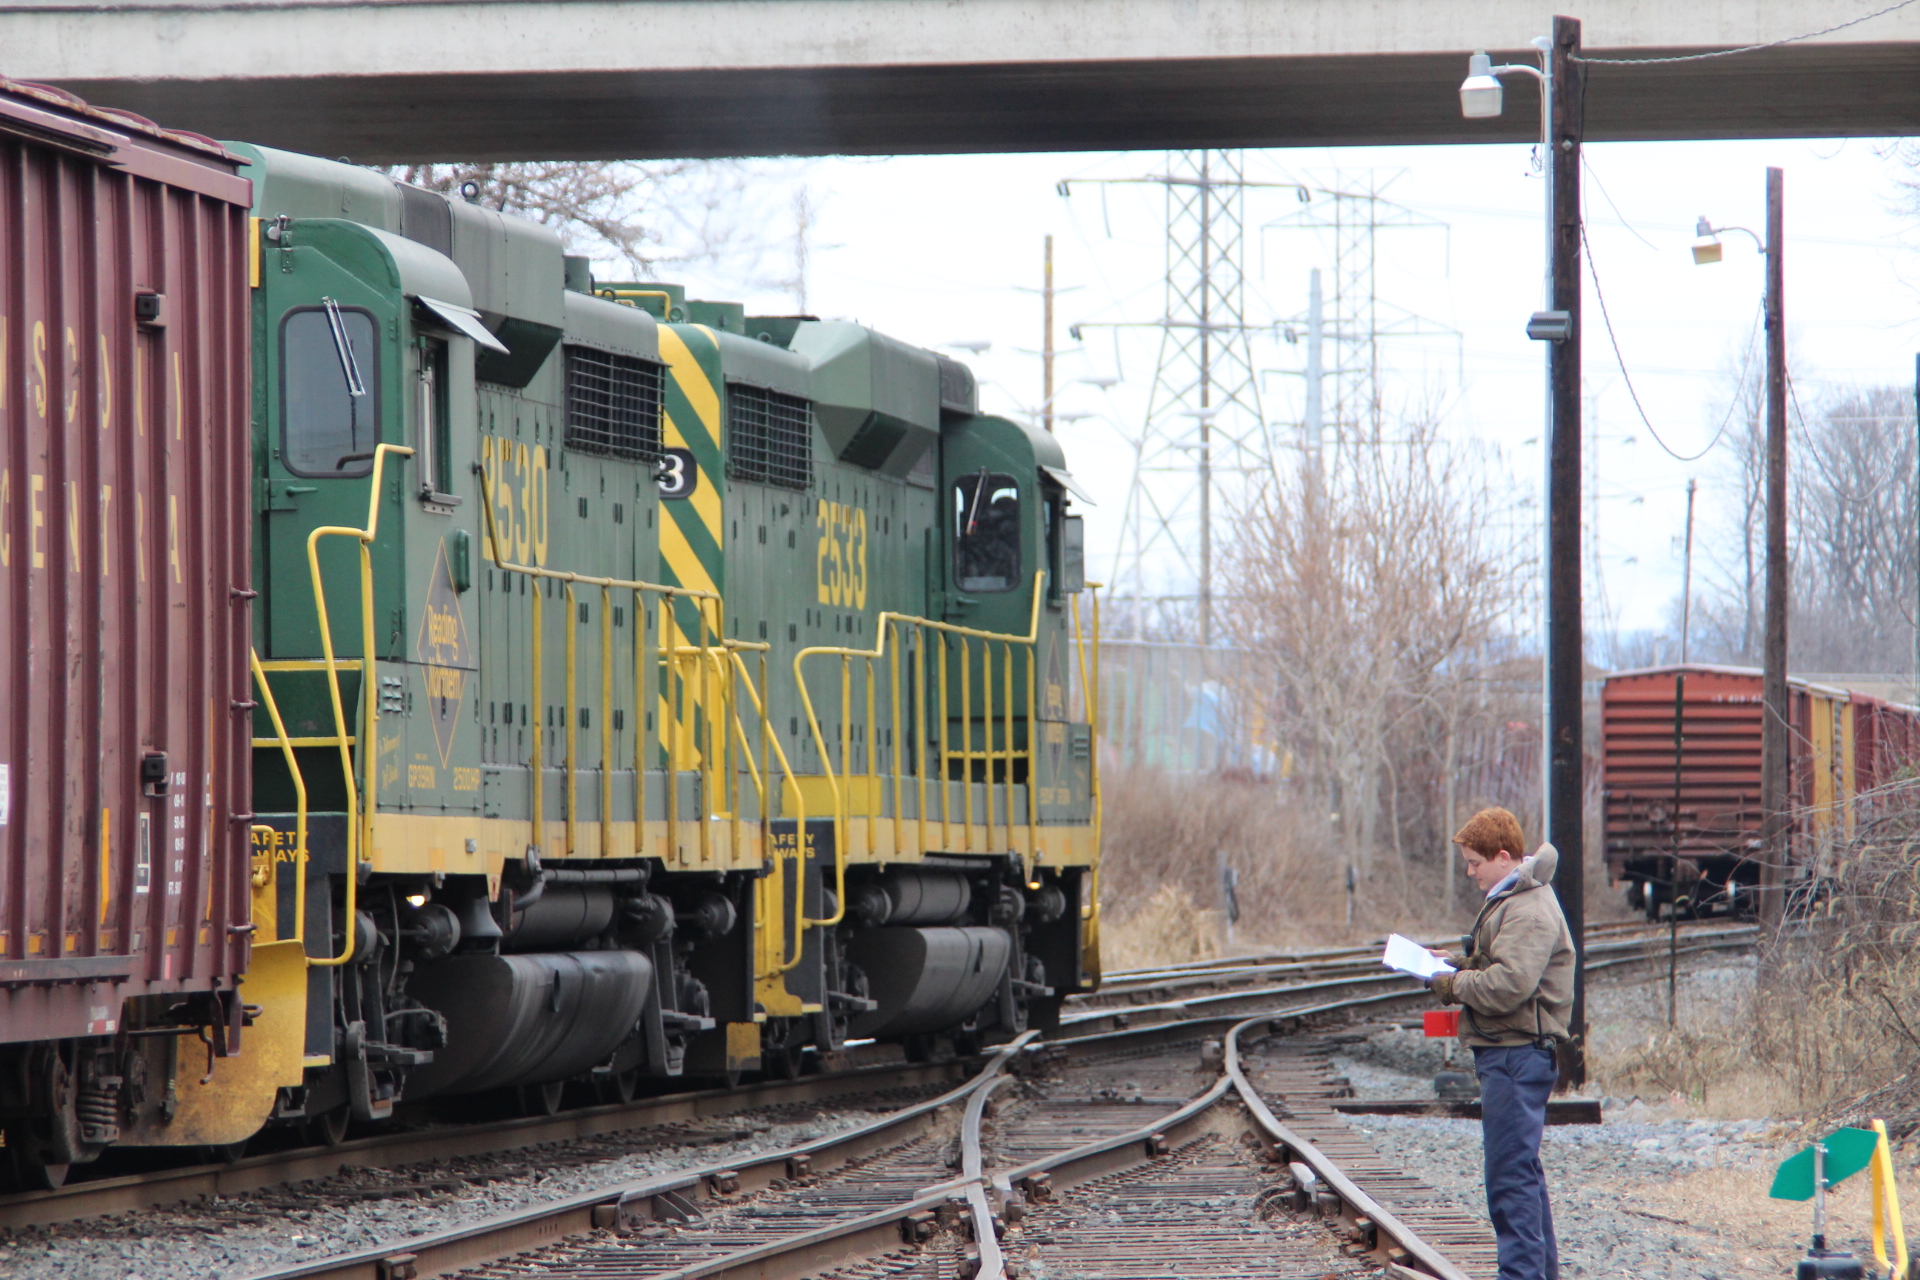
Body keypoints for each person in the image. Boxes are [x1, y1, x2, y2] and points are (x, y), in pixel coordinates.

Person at [1428, 806, 1576, 1280]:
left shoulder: (1528, 907)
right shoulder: (1514, 897)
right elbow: (1496, 963)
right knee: (1522, 1175)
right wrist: (1453, 965)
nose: (1470, 873)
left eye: (1475, 863)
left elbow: (1509, 984)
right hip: (1510, 1051)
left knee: (1510, 1180)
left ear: (1504, 856)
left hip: (1517, 1054)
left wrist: (1452, 986)